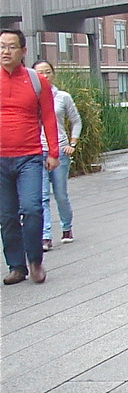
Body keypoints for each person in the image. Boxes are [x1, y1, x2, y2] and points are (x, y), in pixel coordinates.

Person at [0, 29, 60, 285]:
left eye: (11, 47)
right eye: (2, 46)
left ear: (23, 51)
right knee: (6, 216)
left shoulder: (37, 81)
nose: (5, 51)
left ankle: (35, 260)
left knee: (33, 208)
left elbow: (48, 116)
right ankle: (16, 266)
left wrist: (54, 152)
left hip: (30, 157)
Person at [33, 60, 80, 249]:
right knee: (42, 195)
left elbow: (76, 121)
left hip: (60, 150)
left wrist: (72, 143)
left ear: (53, 74)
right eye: (39, 73)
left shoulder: (62, 97)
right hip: (37, 151)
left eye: (47, 72)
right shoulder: (30, 96)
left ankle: (66, 227)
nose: (44, 76)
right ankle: (45, 236)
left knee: (60, 194)